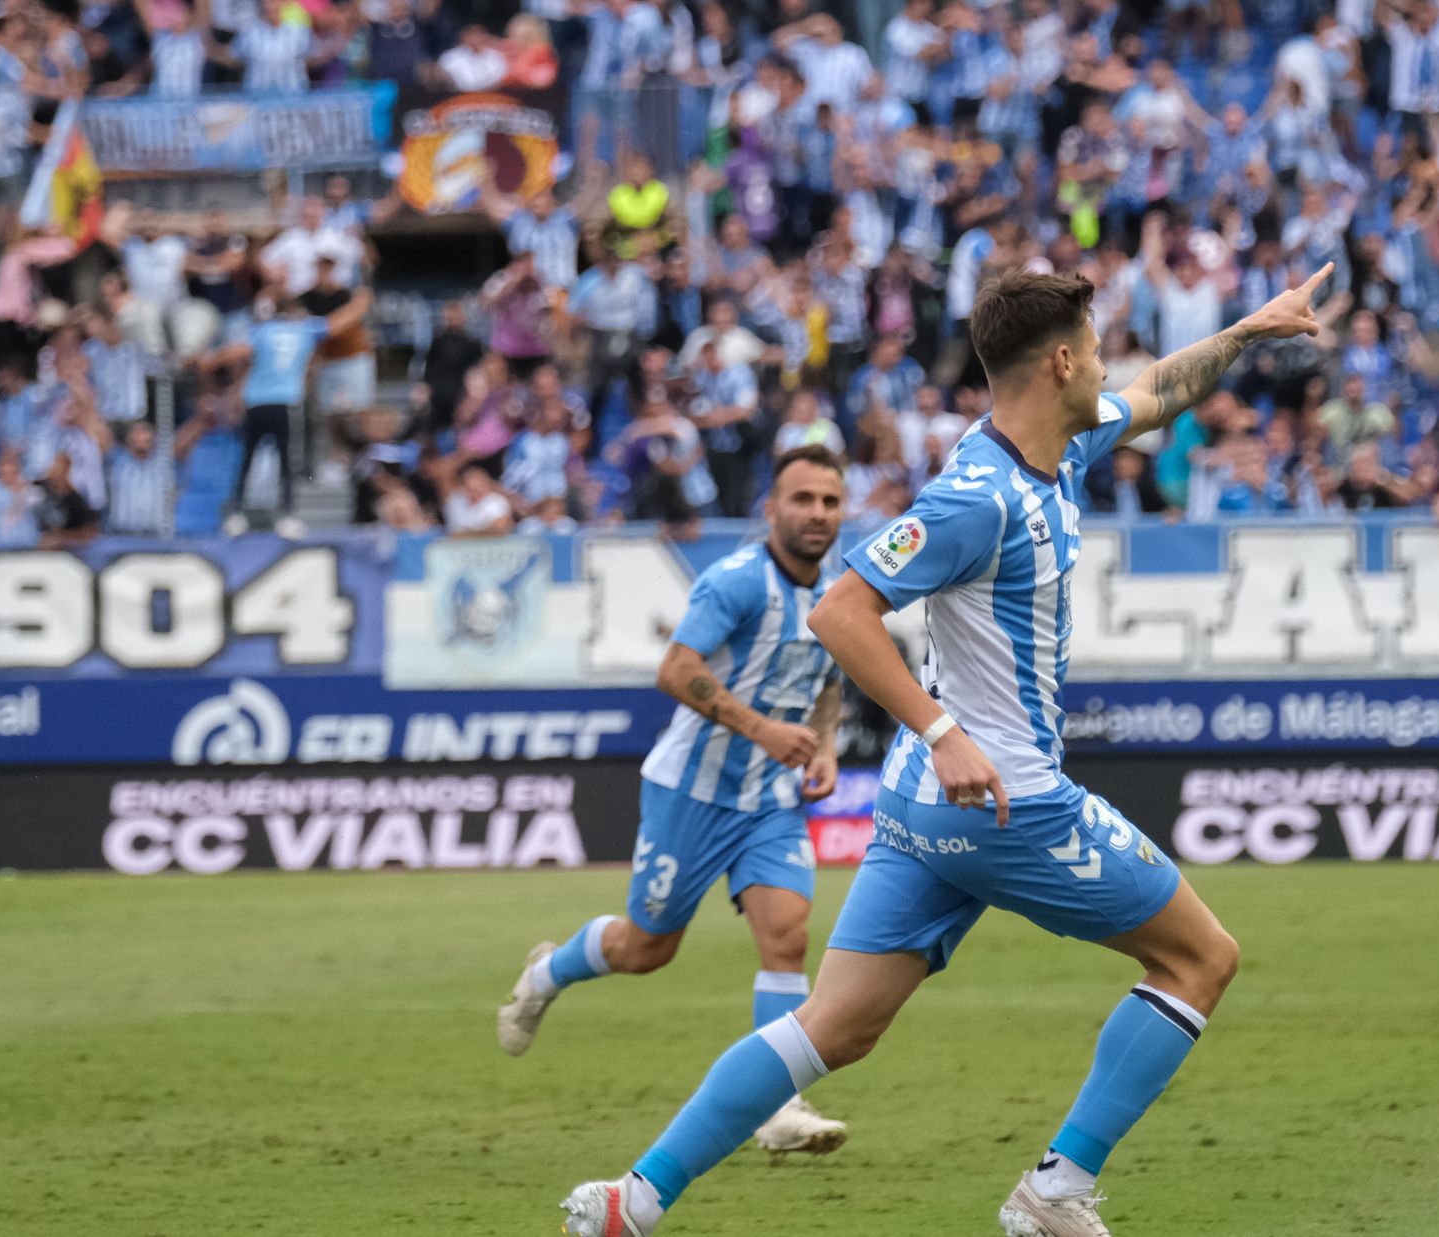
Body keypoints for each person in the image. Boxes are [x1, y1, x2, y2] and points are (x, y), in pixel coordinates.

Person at [556, 265, 1332, 1237]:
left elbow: (1159, 390)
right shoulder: (977, 495)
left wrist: (1250, 331)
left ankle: (632, 1198)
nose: (1104, 362)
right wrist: (940, 728)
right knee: (1199, 959)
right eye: (1092, 346)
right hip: (1005, 798)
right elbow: (841, 610)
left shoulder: (1059, 439)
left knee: (833, 1026)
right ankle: (1054, 1191)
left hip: (925, 809)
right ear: (1059, 361)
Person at [504, 445, 853, 1159]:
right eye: (803, 499)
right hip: (689, 792)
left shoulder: (839, 592)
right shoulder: (735, 581)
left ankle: (778, 1103)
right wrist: (762, 729)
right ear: (771, 509)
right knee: (645, 947)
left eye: (830, 501)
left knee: (787, 934)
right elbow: (676, 668)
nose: (817, 513)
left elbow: (827, 678)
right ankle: (545, 973)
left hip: (767, 799)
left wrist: (823, 745)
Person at [210, 286, 372, 537]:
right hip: (284, 402)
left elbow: (234, 353)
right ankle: (286, 515)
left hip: (255, 401)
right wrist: (362, 302)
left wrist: (205, 365)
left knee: (247, 460)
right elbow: (339, 323)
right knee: (286, 461)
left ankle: (237, 515)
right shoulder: (305, 329)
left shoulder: (261, 332)